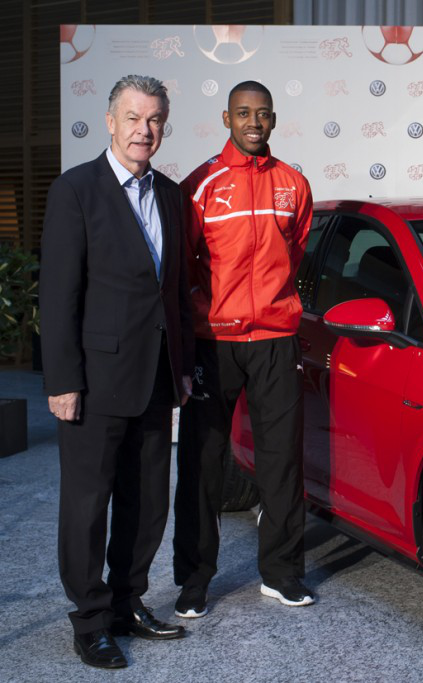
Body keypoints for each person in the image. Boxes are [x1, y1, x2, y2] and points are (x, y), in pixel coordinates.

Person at [40, 74, 194, 669]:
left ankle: (129, 602)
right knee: (88, 506)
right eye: (133, 118)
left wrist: (182, 368)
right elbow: (59, 295)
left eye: (154, 119)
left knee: (148, 500)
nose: (143, 130)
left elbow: (175, 292)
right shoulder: (75, 190)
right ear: (110, 121)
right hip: (94, 381)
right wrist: (62, 381)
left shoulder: (172, 196)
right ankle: (90, 620)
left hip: (155, 376)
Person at [172, 81, 314, 617]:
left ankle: (282, 573)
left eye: (263, 114)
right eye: (243, 113)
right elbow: (184, 265)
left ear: (274, 119)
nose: (254, 122)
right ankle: (194, 580)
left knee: (282, 462)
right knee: (203, 463)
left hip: (275, 340)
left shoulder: (293, 184)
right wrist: (207, 313)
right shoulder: (201, 184)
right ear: (226, 118)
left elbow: (294, 255)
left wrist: (271, 306)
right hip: (215, 343)